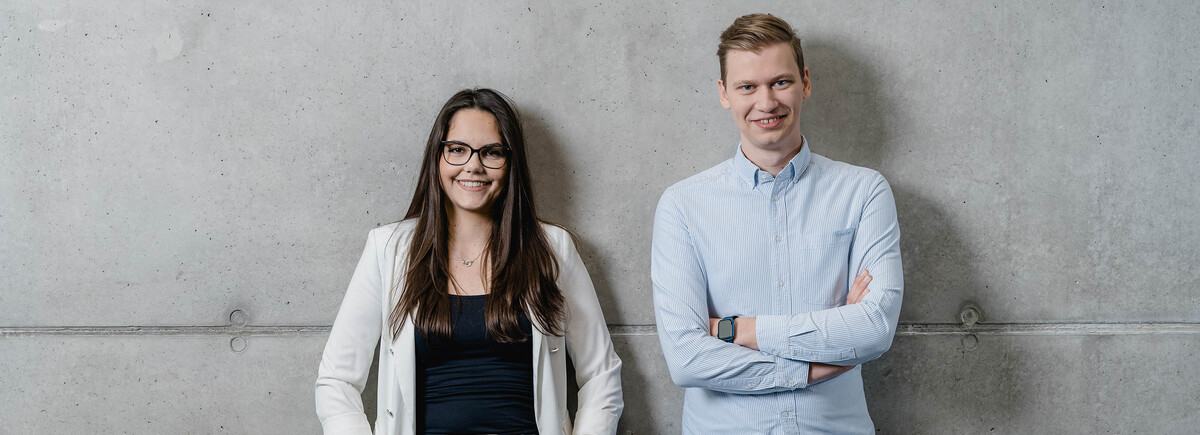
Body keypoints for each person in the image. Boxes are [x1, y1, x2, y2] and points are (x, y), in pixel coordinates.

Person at [316, 88, 623, 435]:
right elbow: (336, 380)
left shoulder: (551, 249)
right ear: (437, 157)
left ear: (510, 164)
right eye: (457, 150)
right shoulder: (388, 249)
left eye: (491, 152)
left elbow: (601, 374)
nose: (473, 165)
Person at [651, 13, 903, 433]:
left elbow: (874, 329)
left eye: (780, 82)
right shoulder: (682, 206)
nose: (766, 103)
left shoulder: (864, 193)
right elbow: (687, 359)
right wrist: (814, 364)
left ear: (805, 82)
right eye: (747, 86)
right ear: (724, 93)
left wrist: (739, 330)